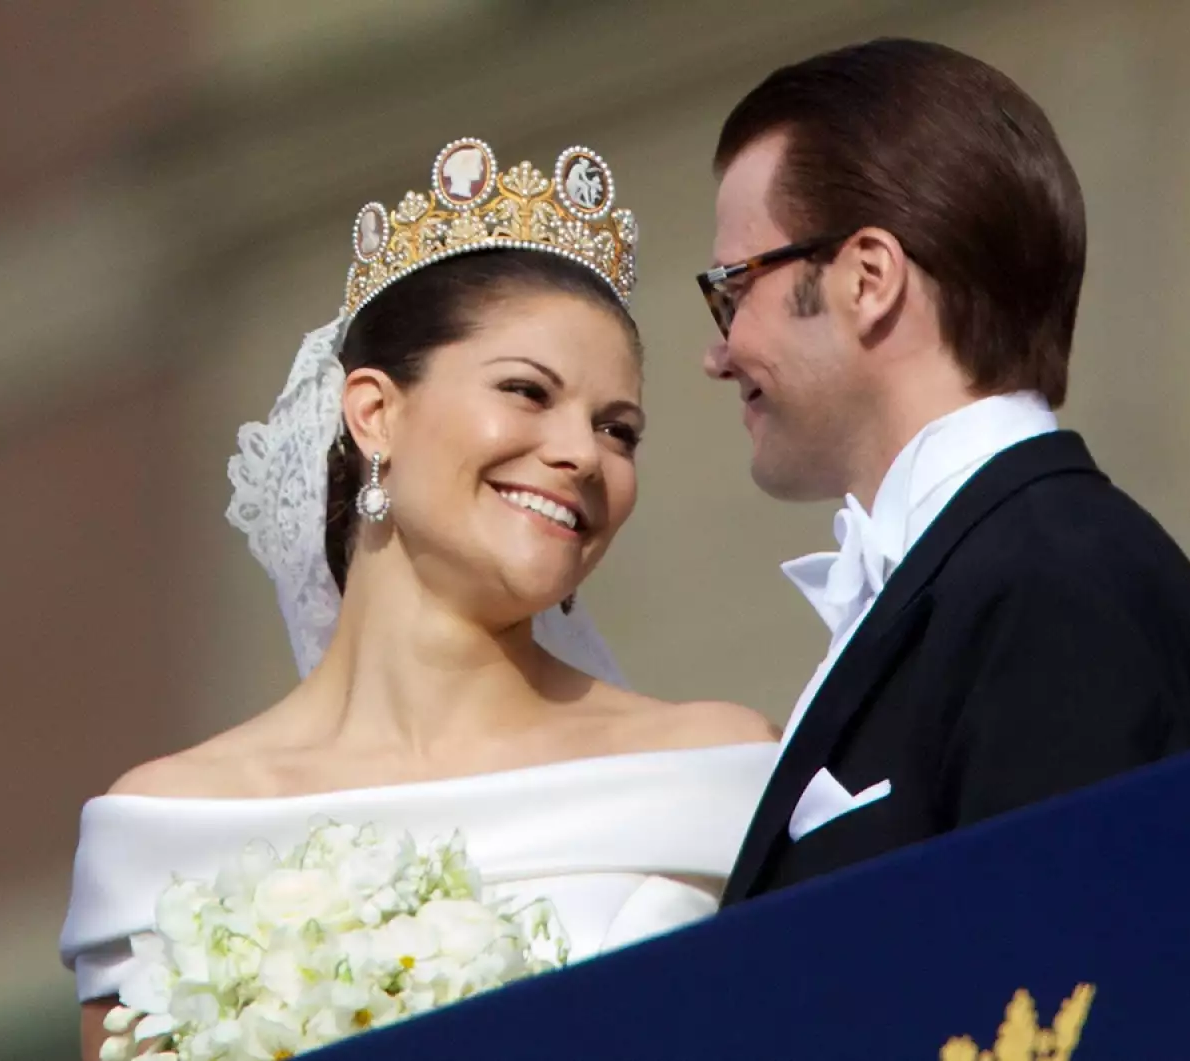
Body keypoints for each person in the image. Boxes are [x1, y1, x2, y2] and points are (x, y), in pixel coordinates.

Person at [59, 138, 780, 1058]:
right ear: (374, 413)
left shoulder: (716, 767)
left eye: (618, 429)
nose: (582, 455)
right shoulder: (167, 828)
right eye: (527, 391)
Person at [701, 39, 1190, 905]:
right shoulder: (1003, 572)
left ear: (868, 279)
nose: (718, 350)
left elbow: (1077, 989)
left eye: (735, 287)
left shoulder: (1052, 585)